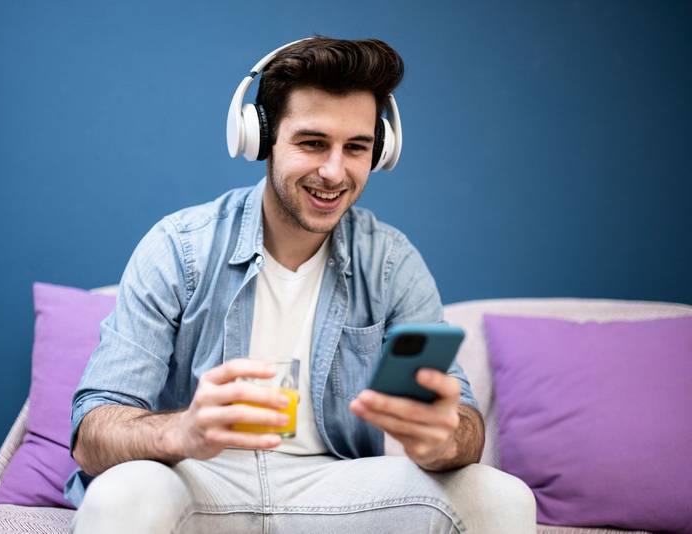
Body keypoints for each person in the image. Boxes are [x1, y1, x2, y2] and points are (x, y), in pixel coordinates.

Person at [67, 36, 536, 533]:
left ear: (381, 151)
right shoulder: (178, 248)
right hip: (199, 477)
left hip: (336, 486)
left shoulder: (391, 261)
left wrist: (444, 438)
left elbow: (465, 425)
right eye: (312, 143)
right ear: (260, 139)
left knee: (500, 497)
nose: (334, 172)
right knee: (121, 493)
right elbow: (92, 434)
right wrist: (183, 429)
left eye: (356, 148)